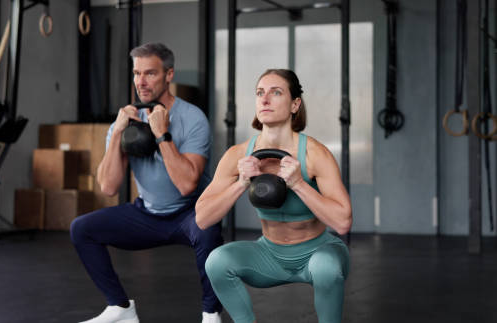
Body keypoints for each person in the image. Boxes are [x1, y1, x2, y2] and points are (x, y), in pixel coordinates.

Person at [70, 42, 223, 323]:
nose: (141, 81)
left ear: (169, 75)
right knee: (82, 229)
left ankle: (211, 314)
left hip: (189, 212)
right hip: (147, 214)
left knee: (208, 228)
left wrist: (162, 135)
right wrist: (117, 133)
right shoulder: (128, 119)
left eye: (150, 73)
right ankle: (120, 309)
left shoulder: (192, 118)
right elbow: (108, 187)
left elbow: (188, 185)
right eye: (137, 73)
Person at [195, 69, 352, 323]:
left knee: (326, 268)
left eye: (275, 92)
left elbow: (343, 222)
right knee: (217, 261)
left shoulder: (314, 153)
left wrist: (299, 184)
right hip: (269, 255)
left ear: (295, 104)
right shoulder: (238, 154)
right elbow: (202, 219)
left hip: (318, 252)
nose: (265, 99)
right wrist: (241, 183)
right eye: (260, 93)